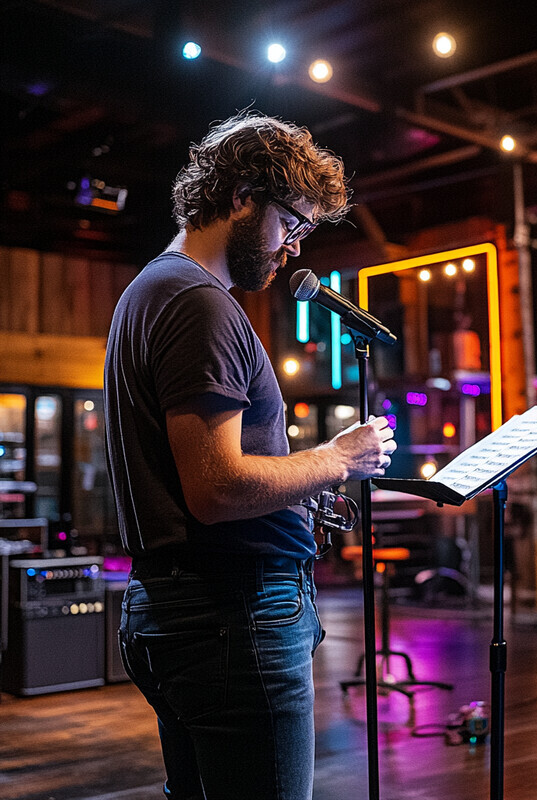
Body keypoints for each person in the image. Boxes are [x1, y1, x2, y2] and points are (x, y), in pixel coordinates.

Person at [104, 111, 396, 800]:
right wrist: (339, 459)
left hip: (189, 610)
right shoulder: (198, 304)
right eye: (290, 223)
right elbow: (216, 488)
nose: (293, 248)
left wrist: (298, 489)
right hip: (231, 617)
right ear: (241, 196)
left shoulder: (155, 289)